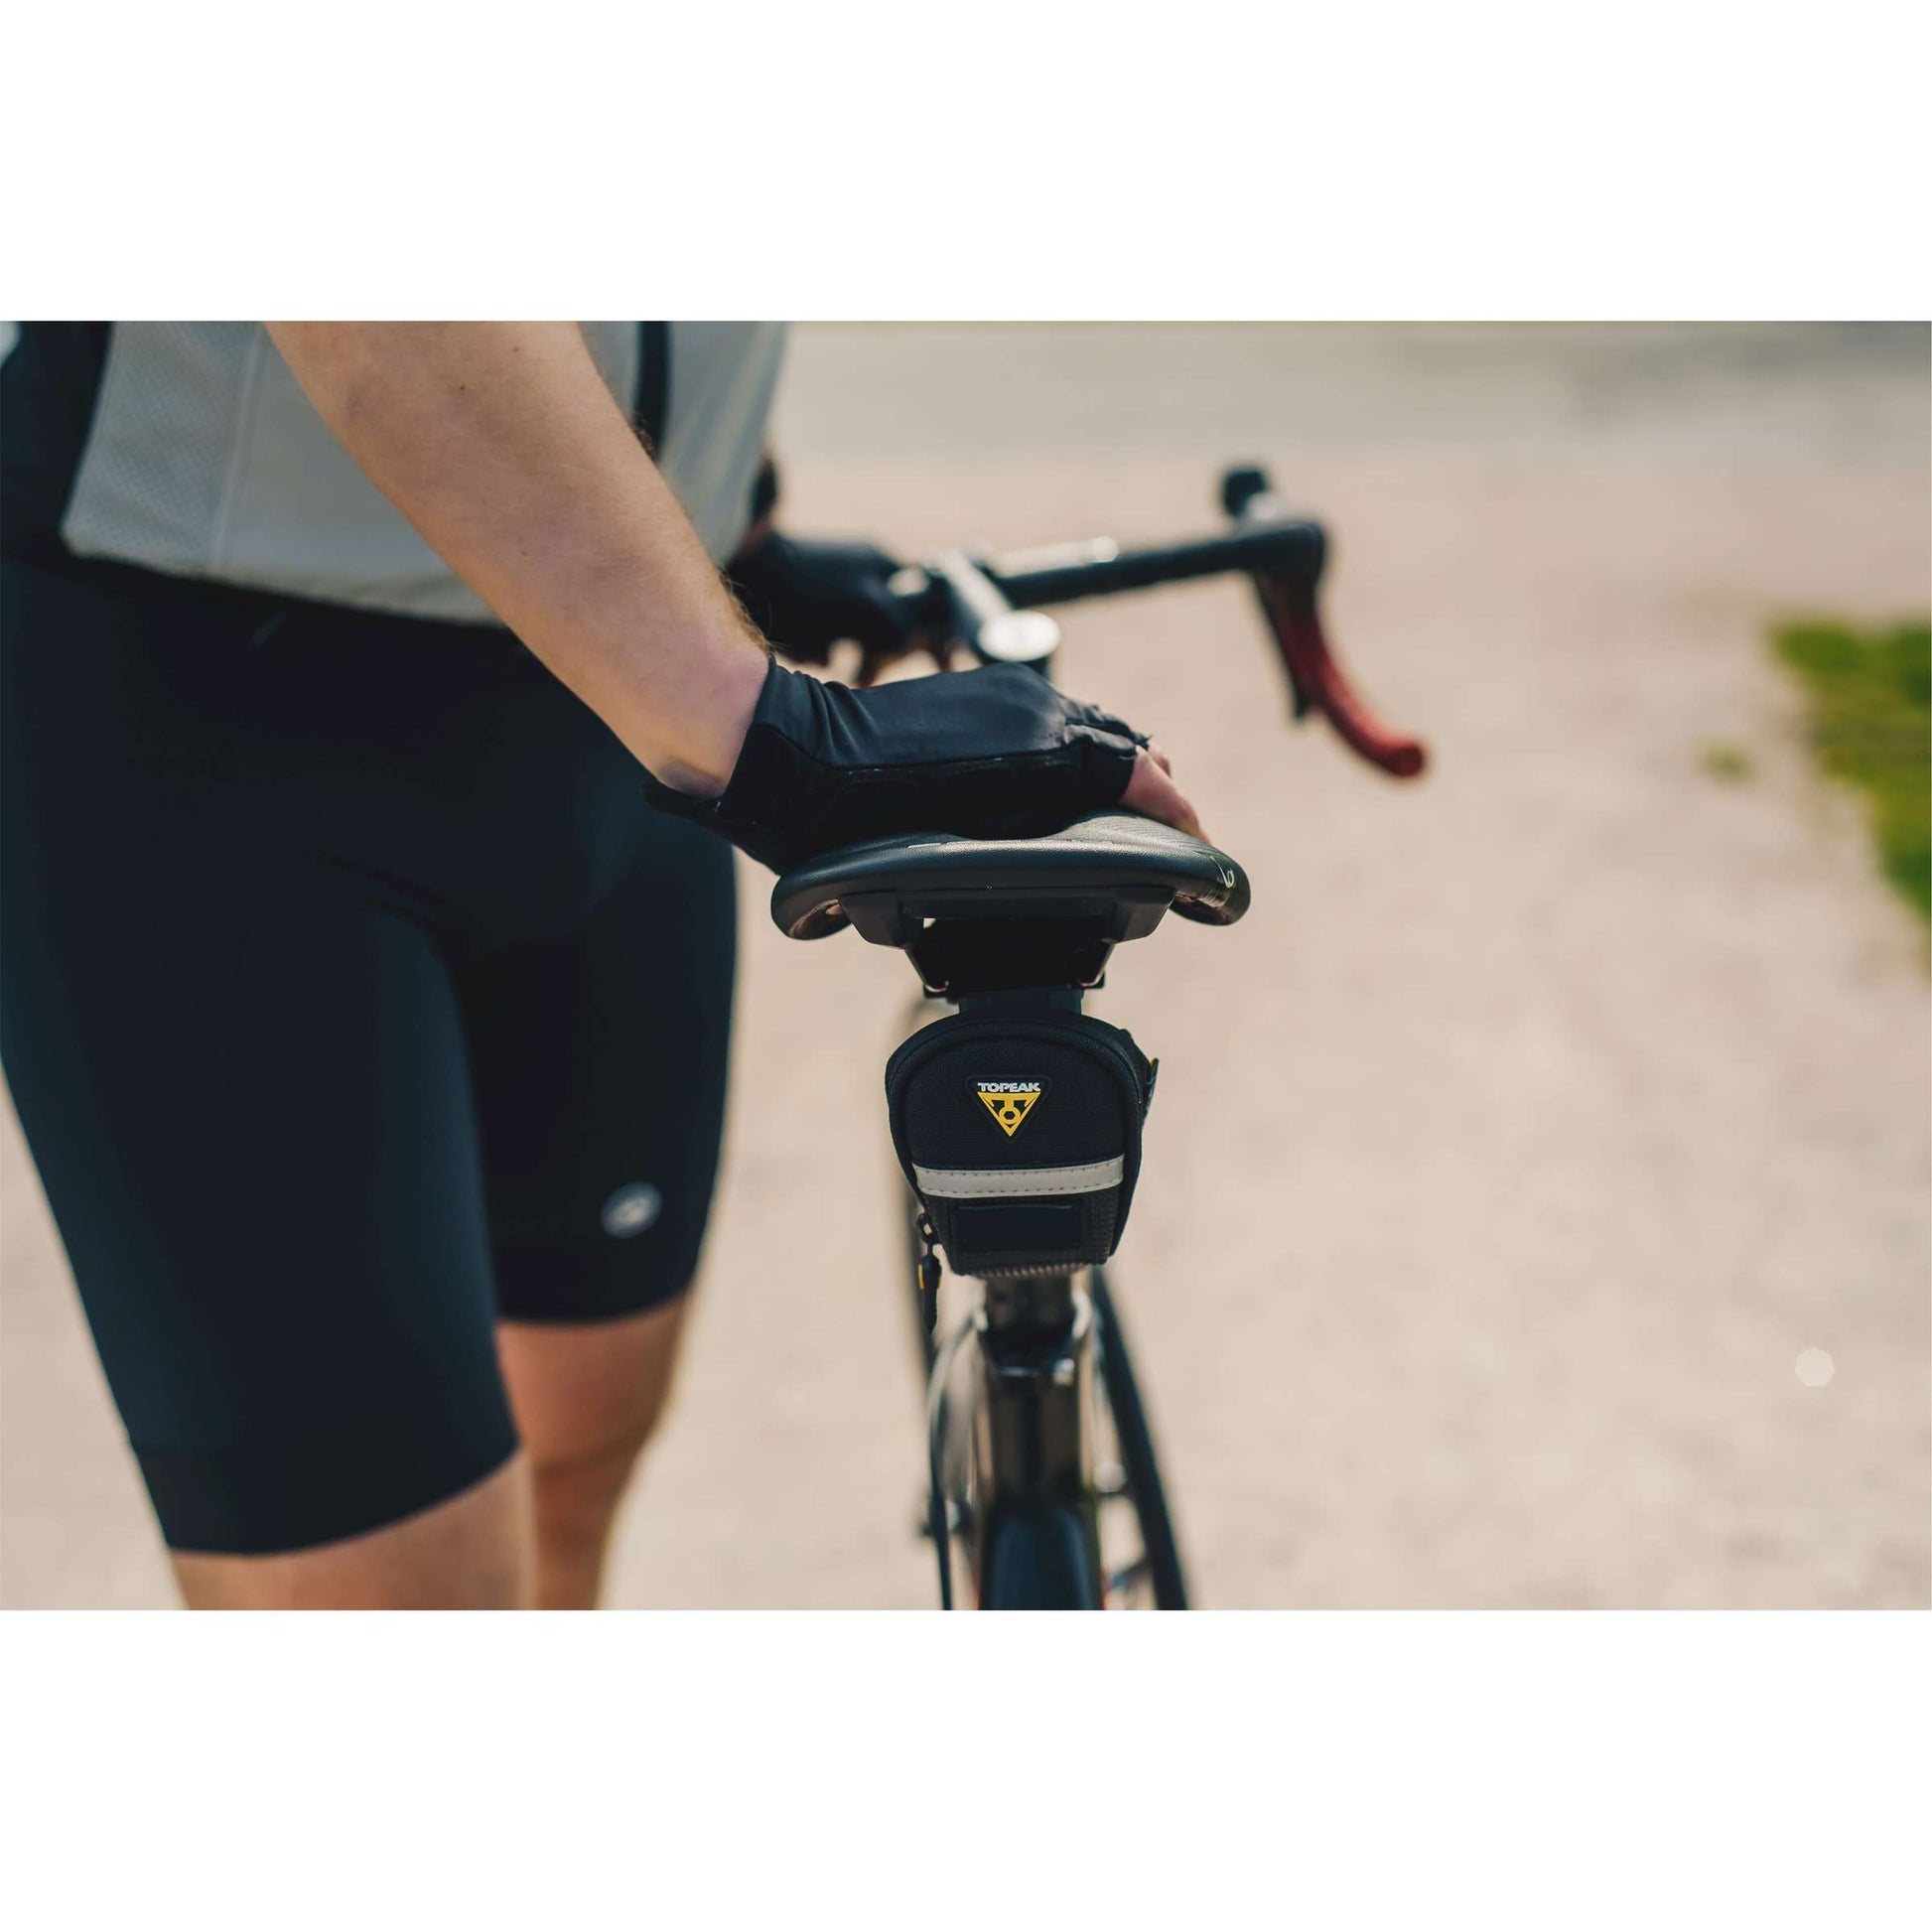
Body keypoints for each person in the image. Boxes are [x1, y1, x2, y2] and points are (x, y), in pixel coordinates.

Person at [0, 322, 1200, 1609]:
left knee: (576, 1450)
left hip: (617, 681)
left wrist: (728, 510)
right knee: (399, 1603)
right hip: (202, 719)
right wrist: (772, 733)